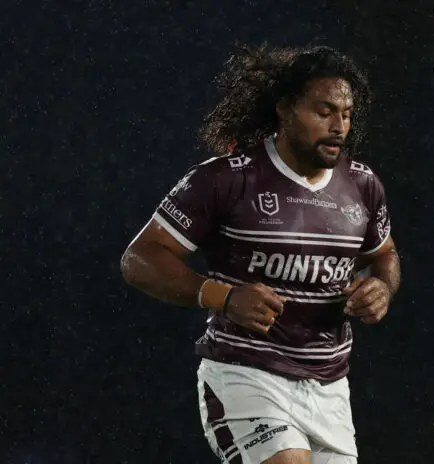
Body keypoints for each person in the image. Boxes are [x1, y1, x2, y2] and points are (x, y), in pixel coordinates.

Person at [120, 44, 401, 464]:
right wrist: (225, 297)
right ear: (285, 108)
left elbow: (385, 256)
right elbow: (140, 258)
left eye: (346, 114)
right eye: (324, 112)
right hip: (246, 375)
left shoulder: (363, 185)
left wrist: (381, 287)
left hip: (329, 389)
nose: (339, 126)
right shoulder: (226, 179)